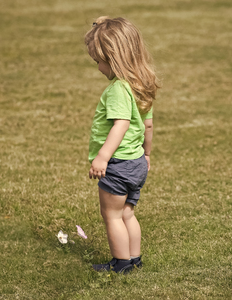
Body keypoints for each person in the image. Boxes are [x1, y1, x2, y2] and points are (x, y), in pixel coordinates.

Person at [84, 16, 159, 274]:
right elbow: (147, 126)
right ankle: (134, 259)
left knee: (112, 216)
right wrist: (147, 154)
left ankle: (121, 264)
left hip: (118, 164)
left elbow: (121, 125)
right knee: (127, 213)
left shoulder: (118, 89)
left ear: (114, 58)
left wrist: (102, 157)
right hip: (137, 162)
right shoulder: (142, 84)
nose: (98, 68)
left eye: (99, 62)